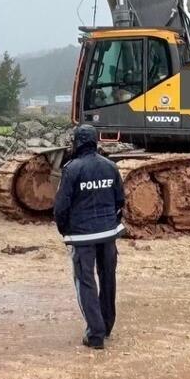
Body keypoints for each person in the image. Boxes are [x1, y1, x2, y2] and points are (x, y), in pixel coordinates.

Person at [52, 123, 124, 349]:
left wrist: (65, 230)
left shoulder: (72, 169)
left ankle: (95, 333)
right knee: (108, 278)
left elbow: (61, 206)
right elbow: (120, 199)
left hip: (83, 237)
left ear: (77, 141)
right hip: (108, 234)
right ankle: (107, 324)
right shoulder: (110, 167)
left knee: (85, 281)